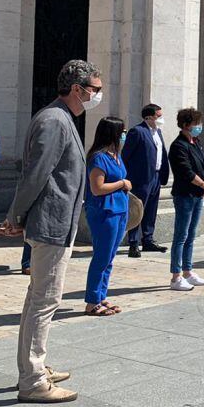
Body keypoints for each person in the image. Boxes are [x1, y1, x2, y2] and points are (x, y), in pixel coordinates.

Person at [0, 59, 103, 404]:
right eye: (95, 89)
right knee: (45, 300)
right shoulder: (55, 120)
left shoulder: (60, 118)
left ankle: (34, 367)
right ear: (77, 89)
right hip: (51, 222)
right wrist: (15, 215)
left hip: (56, 221)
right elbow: (36, 173)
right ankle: (32, 380)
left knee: (37, 298)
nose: (97, 96)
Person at [83, 117, 131, 316]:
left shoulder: (116, 155)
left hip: (120, 210)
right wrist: (122, 184)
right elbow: (97, 188)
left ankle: (101, 295)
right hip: (104, 212)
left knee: (109, 258)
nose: (124, 135)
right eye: (122, 131)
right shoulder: (99, 157)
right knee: (101, 257)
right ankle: (92, 301)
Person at [168, 108, 204, 290]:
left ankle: (188, 271)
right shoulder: (178, 146)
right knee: (181, 235)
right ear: (186, 125)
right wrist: (203, 185)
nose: (199, 127)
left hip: (198, 195)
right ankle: (176, 276)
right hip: (185, 194)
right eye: (195, 124)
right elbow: (186, 171)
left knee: (191, 235)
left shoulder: (196, 142)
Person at [121, 103, 169, 258]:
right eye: (158, 116)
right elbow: (126, 155)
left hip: (155, 176)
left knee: (151, 210)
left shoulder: (158, 132)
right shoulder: (137, 131)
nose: (161, 118)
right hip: (140, 178)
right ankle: (133, 243)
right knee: (137, 210)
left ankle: (148, 239)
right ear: (149, 117)